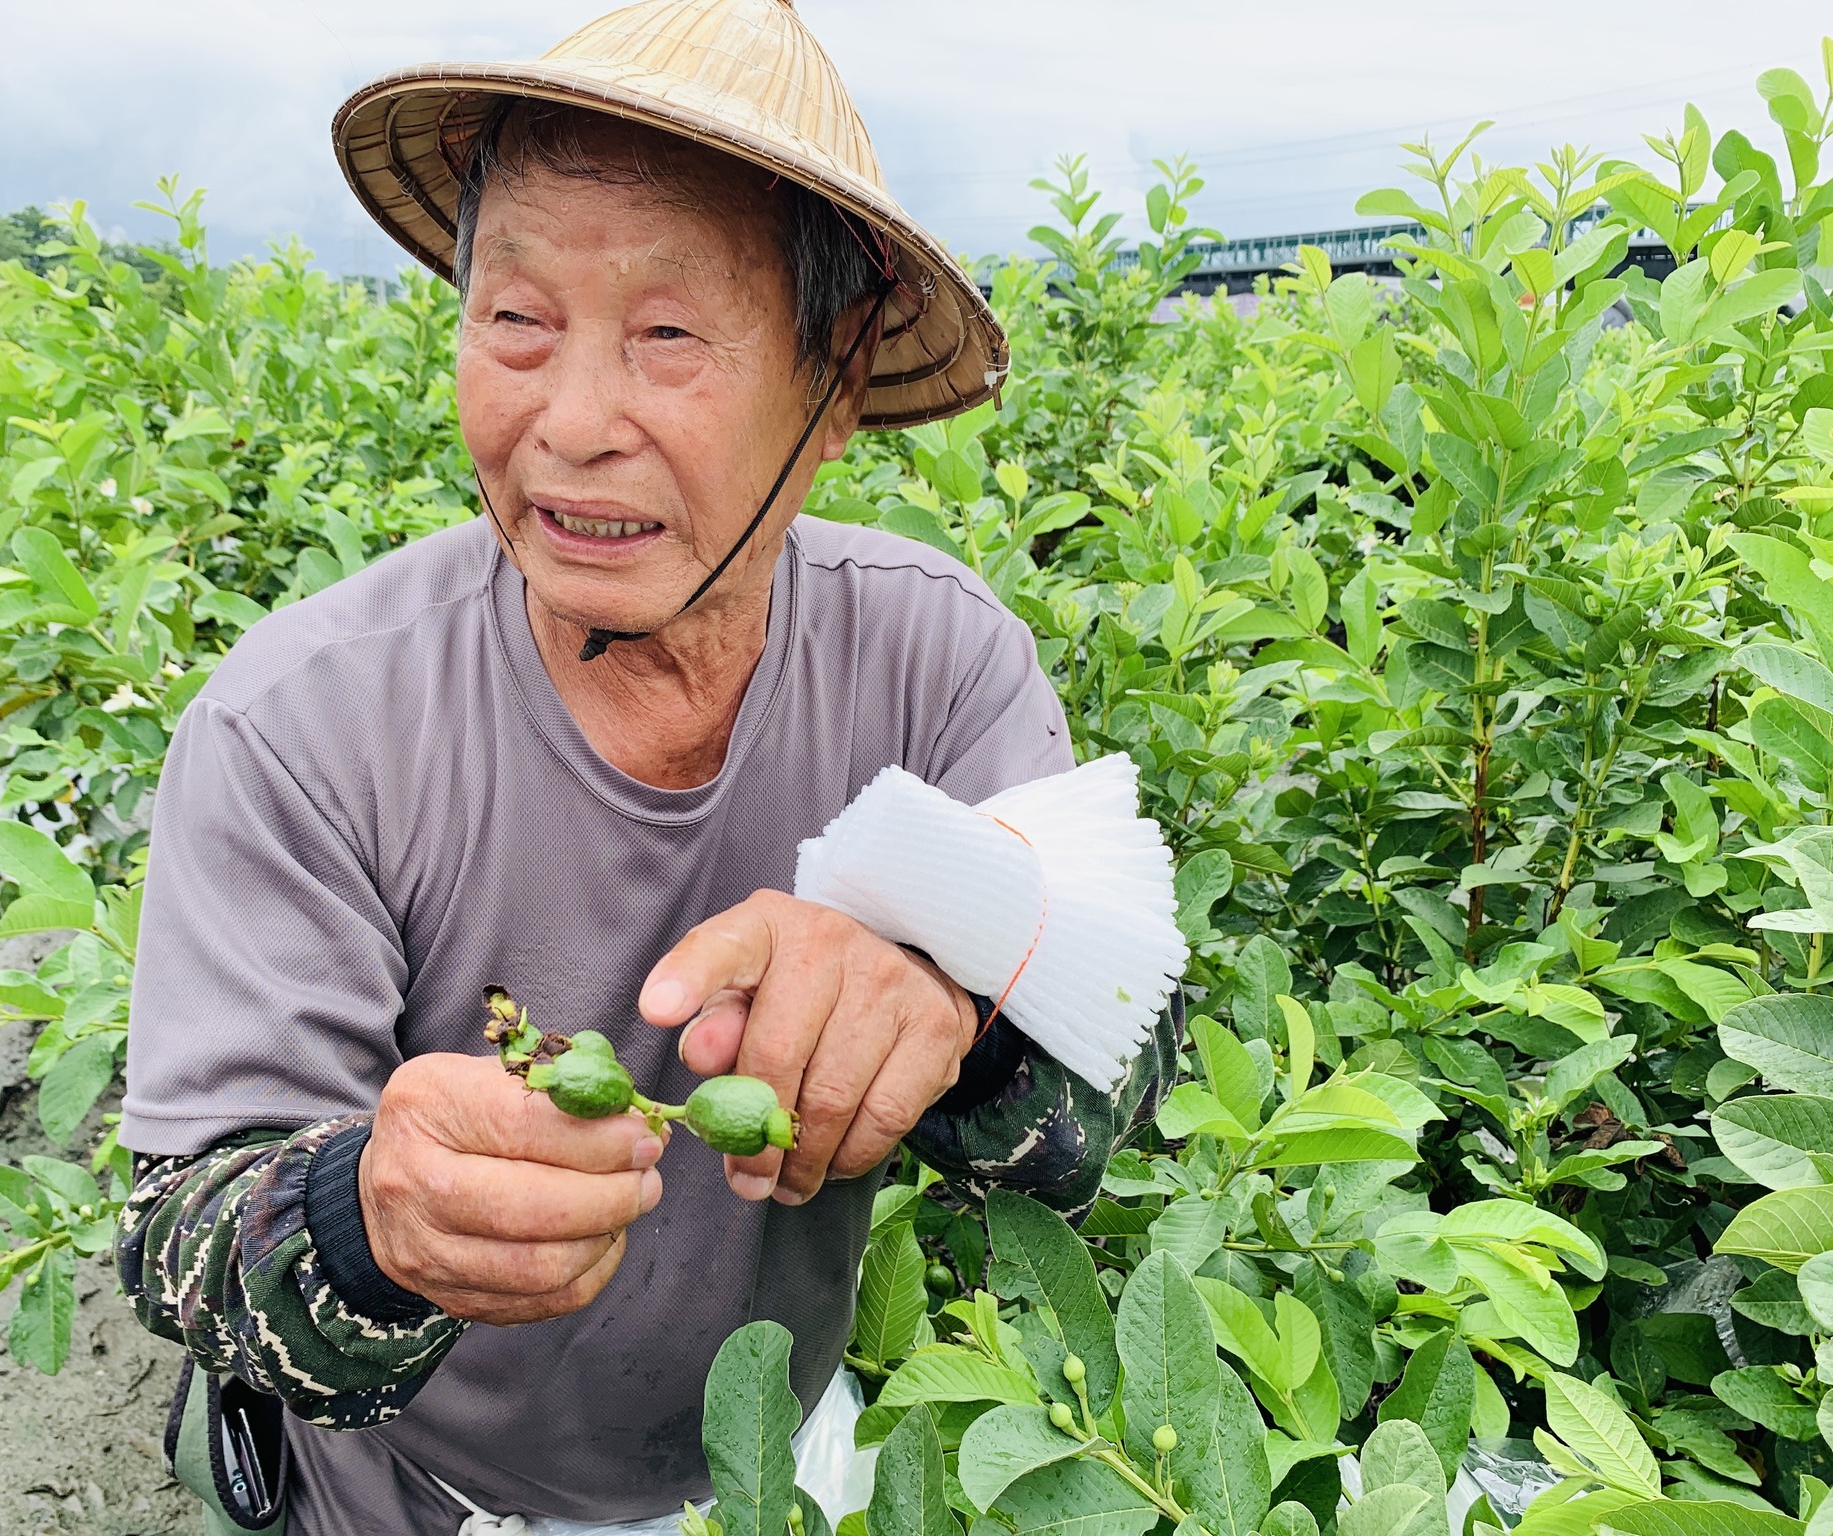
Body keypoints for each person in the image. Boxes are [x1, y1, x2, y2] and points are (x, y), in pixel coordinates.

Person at [115, 1, 1179, 1531]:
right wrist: (365, 1219)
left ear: (836, 377)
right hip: (416, 1498)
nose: (570, 423)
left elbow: (1113, 1074)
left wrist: (960, 1011)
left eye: (669, 336)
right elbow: (180, 1242)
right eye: (516, 324)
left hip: (769, 1473)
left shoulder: (940, 663)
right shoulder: (298, 721)